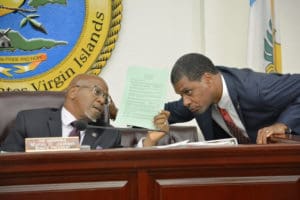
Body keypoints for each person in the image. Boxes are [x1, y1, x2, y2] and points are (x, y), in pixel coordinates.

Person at [154, 53, 300, 144]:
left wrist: (283, 124)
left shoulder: (257, 89)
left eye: (188, 92)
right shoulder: (198, 100)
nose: (185, 102)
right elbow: (163, 112)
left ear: (208, 79)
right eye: (181, 96)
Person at [1, 74, 166, 152]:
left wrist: (150, 141)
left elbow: (125, 163)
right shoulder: (30, 121)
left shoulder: (107, 134)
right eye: (97, 92)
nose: (102, 101)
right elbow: (7, 165)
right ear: (73, 92)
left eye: (106, 98)